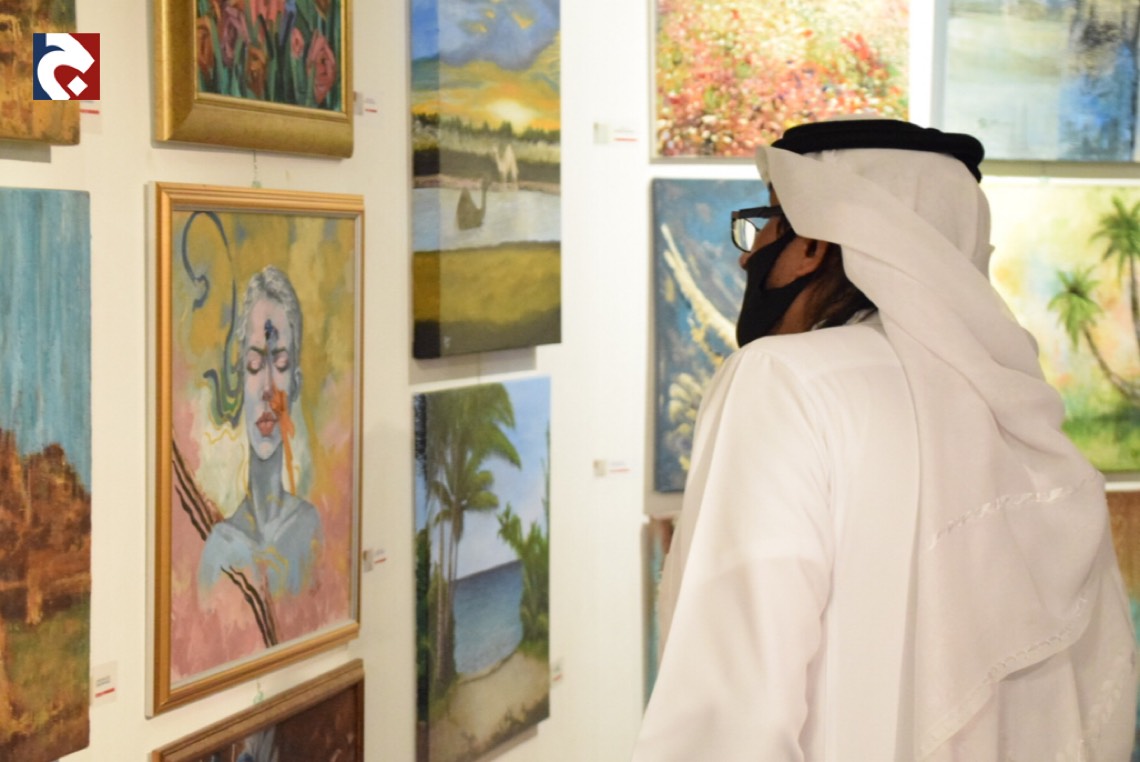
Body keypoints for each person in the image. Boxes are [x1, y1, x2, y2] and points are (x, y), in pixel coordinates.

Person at [633, 118, 1137, 760]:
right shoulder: (1019, 405)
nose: (746, 253)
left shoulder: (784, 381)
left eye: (766, 222)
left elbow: (734, 705)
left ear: (815, 240)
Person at [198, 265, 323, 612]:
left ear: (295, 384)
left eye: (280, 364)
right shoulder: (218, 551)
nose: (267, 388)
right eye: (254, 365)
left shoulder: (311, 530)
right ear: (240, 380)